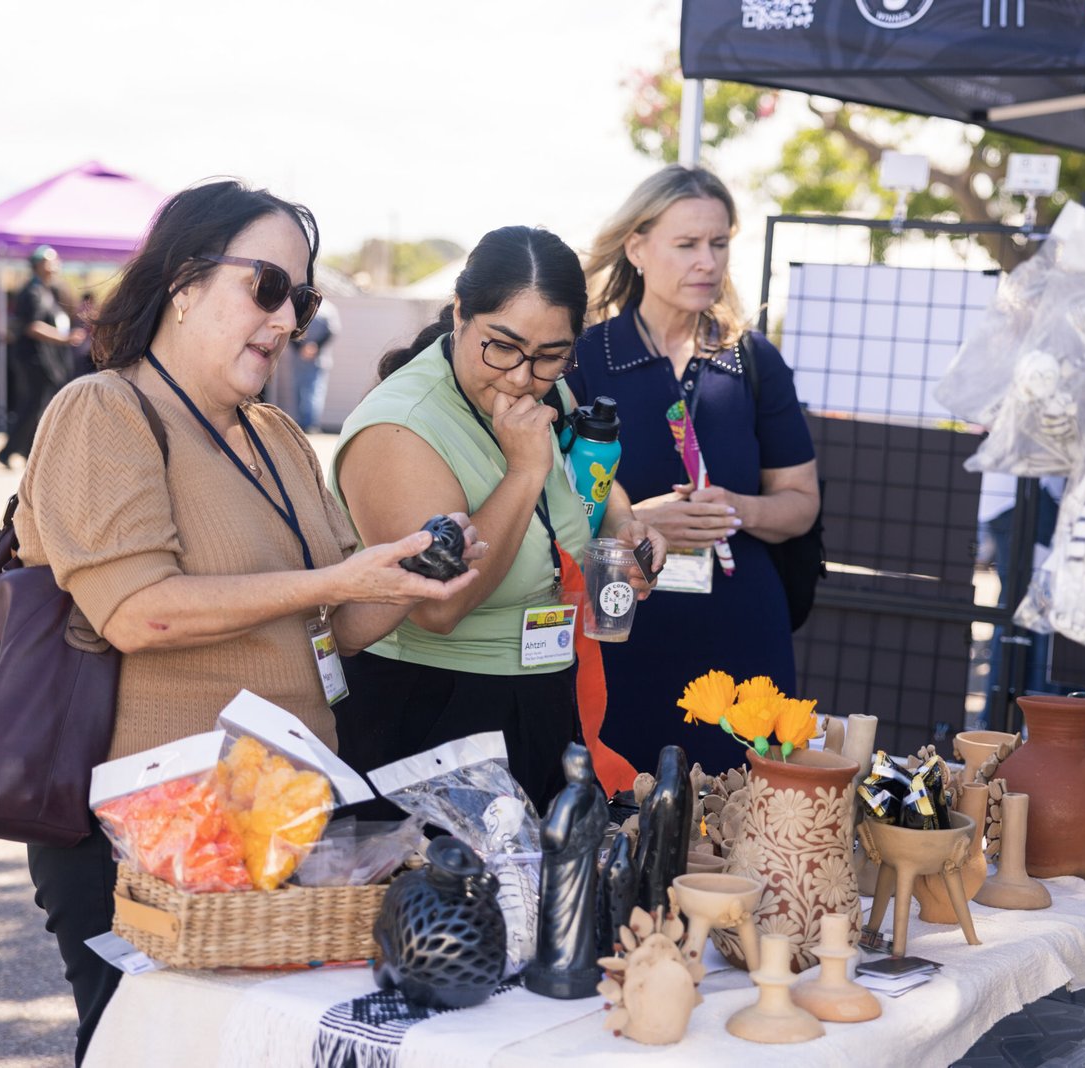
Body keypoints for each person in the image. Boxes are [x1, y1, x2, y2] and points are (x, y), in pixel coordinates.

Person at [13, 179, 481, 1064]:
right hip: (149, 841)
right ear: (184, 284)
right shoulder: (106, 410)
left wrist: (414, 579)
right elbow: (137, 613)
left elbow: (327, 634)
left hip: (281, 829)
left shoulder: (276, 434)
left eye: (301, 298)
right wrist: (328, 580)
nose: (287, 319)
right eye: (267, 287)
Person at [331, 225, 666, 809]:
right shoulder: (399, 428)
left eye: (549, 357)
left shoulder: (542, 394)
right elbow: (440, 607)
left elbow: (585, 473)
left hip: (540, 693)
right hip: (435, 715)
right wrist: (521, 473)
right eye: (502, 346)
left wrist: (623, 524)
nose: (520, 377)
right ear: (460, 312)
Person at [568, 165, 819, 775]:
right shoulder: (584, 358)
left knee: (747, 807)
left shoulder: (752, 359)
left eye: (719, 243)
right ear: (637, 247)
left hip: (740, 629)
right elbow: (555, 496)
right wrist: (642, 519)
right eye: (686, 245)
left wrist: (733, 509)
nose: (707, 261)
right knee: (620, 805)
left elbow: (800, 501)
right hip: (624, 626)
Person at [0, 246, 83, 466]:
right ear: (38, 265)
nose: (55, 265)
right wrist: (64, 339)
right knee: (32, 405)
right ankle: (8, 451)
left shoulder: (47, 290)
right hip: (33, 359)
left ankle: (28, 452)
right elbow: (32, 326)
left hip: (46, 359)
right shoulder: (31, 292)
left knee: (39, 406)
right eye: (50, 261)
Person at [288, 299, 338, 431]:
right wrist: (313, 347)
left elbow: (290, 331)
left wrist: (303, 348)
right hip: (309, 357)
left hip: (313, 358)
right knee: (309, 390)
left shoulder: (301, 306)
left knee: (310, 390)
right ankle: (307, 424)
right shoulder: (328, 308)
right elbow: (332, 331)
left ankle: (307, 423)